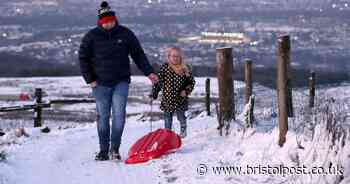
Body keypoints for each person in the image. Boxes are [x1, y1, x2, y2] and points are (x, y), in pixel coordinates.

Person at [79, 1, 159, 161]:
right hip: (99, 83)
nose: (109, 24)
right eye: (105, 22)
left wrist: (149, 72)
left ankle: (114, 149)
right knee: (103, 118)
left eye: (111, 21)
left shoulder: (125, 34)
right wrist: (90, 80)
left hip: (120, 81)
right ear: (100, 22)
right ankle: (103, 150)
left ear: (115, 19)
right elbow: (83, 58)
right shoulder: (91, 36)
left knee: (119, 117)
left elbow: (138, 54)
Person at [151, 47, 195, 138]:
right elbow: (158, 82)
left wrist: (186, 91)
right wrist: (154, 93)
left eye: (177, 56)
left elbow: (191, 82)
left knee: (181, 116)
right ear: (169, 57)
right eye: (173, 56)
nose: (175, 58)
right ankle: (167, 134)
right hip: (167, 99)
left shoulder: (185, 69)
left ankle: (183, 129)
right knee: (167, 118)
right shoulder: (165, 68)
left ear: (181, 57)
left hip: (180, 99)